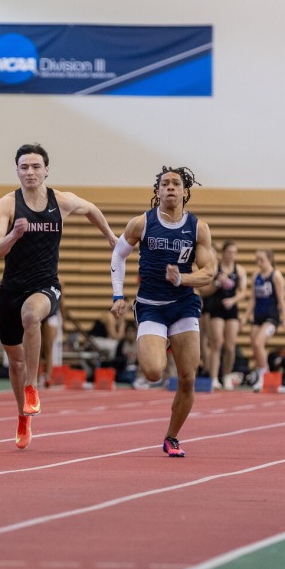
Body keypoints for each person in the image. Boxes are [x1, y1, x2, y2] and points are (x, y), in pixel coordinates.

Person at [0, 143, 116, 450]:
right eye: (24, 167)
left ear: (46, 170)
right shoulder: (6, 205)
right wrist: (14, 235)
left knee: (32, 315)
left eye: (35, 167)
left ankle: (33, 385)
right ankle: (23, 415)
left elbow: (93, 210)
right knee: (14, 363)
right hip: (11, 288)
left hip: (46, 285)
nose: (30, 172)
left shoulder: (62, 201)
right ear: (17, 171)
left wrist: (111, 236)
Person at [110, 166, 215, 457]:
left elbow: (209, 272)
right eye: (164, 183)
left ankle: (172, 437)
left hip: (183, 306)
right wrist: (118, 294)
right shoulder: (141, 223)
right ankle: (156, 341)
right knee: (154, 372)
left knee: (187, 378)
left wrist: (183, 279)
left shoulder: (198, 228)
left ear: (185, 192)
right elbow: (118, 254)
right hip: (151, 307)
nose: (169, 187)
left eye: (175, 183)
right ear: (157, 191)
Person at [199, 240, 246, 390]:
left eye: (234, 253)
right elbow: (204, 290)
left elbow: (243, 292)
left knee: (230, 346)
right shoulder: (215, 268)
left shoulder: (239, 270)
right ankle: (213, 378)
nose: (231, 256)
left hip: (231, 309)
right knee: (216, 343)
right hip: (216, 308)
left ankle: (226, 375)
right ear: (223, 253)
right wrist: (217, 283)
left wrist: (233, 300)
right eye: (229, 252)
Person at [243, 249, 285, 392]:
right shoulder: (256, 276)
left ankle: (263, 377)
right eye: (257, 259)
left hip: (271, 318)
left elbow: (281, 299)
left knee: (258, 343)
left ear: (269, 259)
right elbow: (252, 299)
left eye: (261, 259)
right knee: (255, 347)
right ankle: (269, 378)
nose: (258, 262)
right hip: (258, 317)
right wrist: (245, 317)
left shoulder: (276, 276)